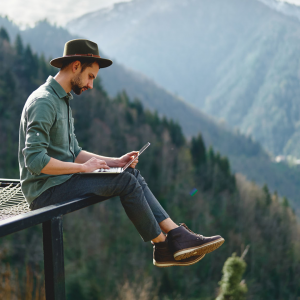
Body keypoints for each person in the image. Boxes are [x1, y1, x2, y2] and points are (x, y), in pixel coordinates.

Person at [18, 39, 224, 267]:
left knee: (130, 174)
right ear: (76, 66)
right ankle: (163, 246)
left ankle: (176, 234)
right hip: (45, 191)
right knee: (125, 181)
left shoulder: (62, 101)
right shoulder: (44, 102)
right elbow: (35, 161)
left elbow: (74, 152)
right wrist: (82, 169)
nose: (91, 85)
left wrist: (116, 161)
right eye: (91, 76)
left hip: (62, 180)